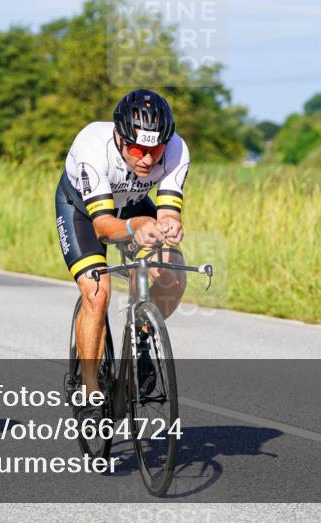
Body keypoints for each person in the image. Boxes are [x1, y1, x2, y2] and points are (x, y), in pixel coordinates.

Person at [55, 89, 191, 419]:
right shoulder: (92, 148)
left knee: (172, 270)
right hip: (84, 213)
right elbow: (103, 227)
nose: (147, 159)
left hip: (131, 204)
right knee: (96, 292)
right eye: (137, 150)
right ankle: (89, 390)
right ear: (119, 137)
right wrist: (138, 226)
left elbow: (169, 210)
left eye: (154, 151)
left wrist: (170, 226)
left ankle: (142, 338)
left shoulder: (176, 149)